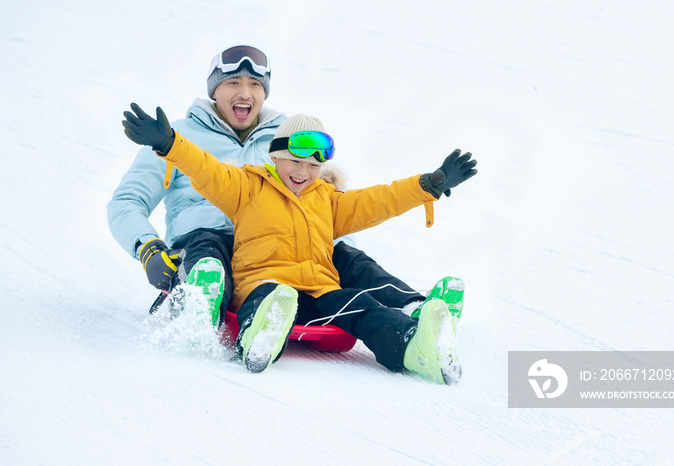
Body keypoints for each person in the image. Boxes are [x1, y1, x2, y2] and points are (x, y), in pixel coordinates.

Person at [107, 45, 464, 327]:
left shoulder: (287, 139)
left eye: (255, 85)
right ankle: (199, 305)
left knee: (346, 256)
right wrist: (148, 248)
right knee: (209, 247)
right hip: (204, 240)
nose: (244, 92)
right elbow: (126, 201)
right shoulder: (175, 138)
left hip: (278, 247)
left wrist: (329, 249)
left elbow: (323, 205)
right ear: (215, 90)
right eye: (233, 83)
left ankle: (416, 308)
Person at [121, 107, 478, 384]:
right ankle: (257, 341)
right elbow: (206, 169)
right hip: (264, 284)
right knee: (271, 300)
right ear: (274, 156)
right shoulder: (247, 187)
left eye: (311, 166)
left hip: (318, 291)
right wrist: (169, 144)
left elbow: (379, 200)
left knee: (362, 306)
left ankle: (414, 347)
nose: (302, 172)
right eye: (294, 161)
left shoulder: (328, 199)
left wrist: (426, 185)